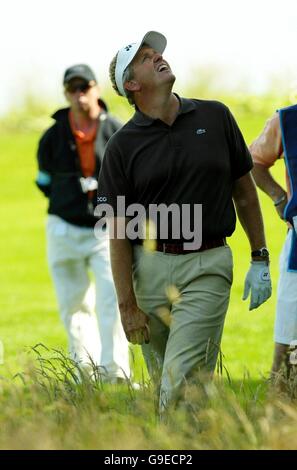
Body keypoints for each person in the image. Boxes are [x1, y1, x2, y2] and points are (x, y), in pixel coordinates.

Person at [97, 31, 272, 413]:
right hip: (151, 272)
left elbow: (244, 191)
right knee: (172, 386)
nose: (157, 56)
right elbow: (118, 233)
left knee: (179, 382)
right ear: (132, 84)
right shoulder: (122, 146)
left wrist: (260, 257)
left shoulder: (216, 115)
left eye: (155, 51)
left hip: (207, 266)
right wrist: (127, 306)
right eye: (145, 57)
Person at [36, 64, 130, 382]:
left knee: (112, 300)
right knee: (73, 304)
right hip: (63, 227)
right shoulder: (52, 136)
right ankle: (82, 370)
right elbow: (44, 181)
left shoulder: (116, 130)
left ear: (97, 89)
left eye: (85, 87)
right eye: (73, 89)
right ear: (66, 94)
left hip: (105, 230)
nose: (80, 95)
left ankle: (115, 370)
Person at [250, 104, 297, 377]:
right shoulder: (287, 120)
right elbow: (252, 161)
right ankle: (280, 412)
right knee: (289, 347)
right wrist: (279, 198)